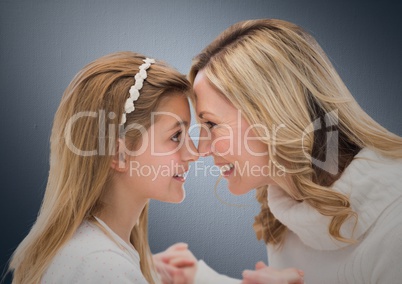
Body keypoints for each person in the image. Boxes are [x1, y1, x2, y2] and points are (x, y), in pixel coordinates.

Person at [183, 18, 402, 283]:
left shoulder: (395, 221)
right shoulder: (282, 223)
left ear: (271, 116)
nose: (200, 149)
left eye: (211, 124)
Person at [8, 51, 200, 283]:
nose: (194, 153)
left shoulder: (98, 256)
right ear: (119, 154)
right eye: (176, 136)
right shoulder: (104, 265)